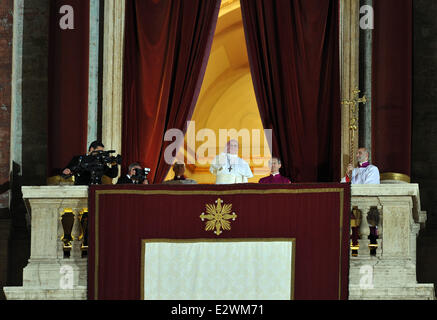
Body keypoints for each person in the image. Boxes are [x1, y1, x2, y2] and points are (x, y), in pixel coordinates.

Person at [341, 147, 380, 254]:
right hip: (353, 206)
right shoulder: (353, 170)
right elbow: (343, 186)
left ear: (367, 155)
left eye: (360, 153)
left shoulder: (372, 169)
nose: (357, 155)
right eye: (357, 153)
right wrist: (348, 175)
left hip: (366, 207)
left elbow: (368, 188)